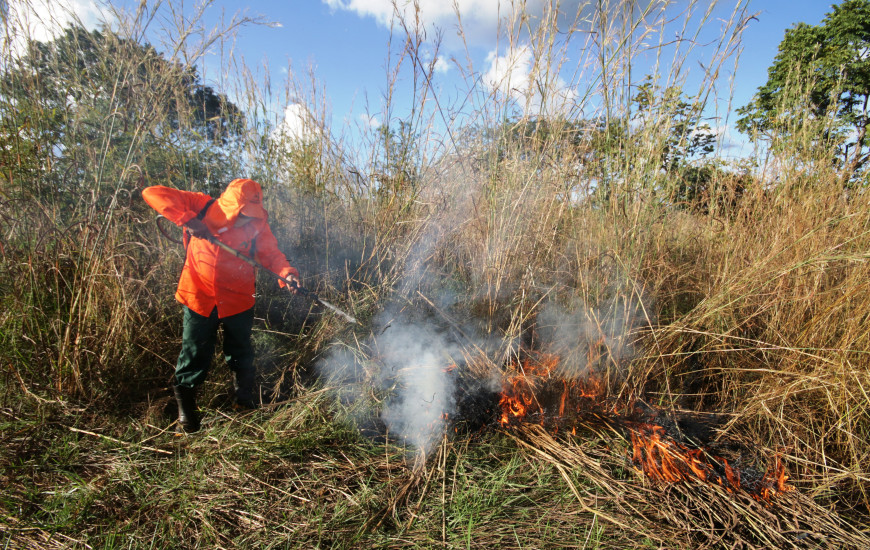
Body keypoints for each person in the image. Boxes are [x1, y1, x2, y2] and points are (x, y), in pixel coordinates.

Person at [143, 178, 300, 434]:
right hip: (198, 296)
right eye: (243, 213)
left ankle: (243, 402)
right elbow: (152, 191)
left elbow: (270, 253)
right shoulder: (200, 205)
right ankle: (187, 412)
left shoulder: (258, 225)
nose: (247, 219)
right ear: (230, 205)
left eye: (252, 214)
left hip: (238, 299)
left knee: (240, 350)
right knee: (195, 352)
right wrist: (188, 220)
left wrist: (287, 274)